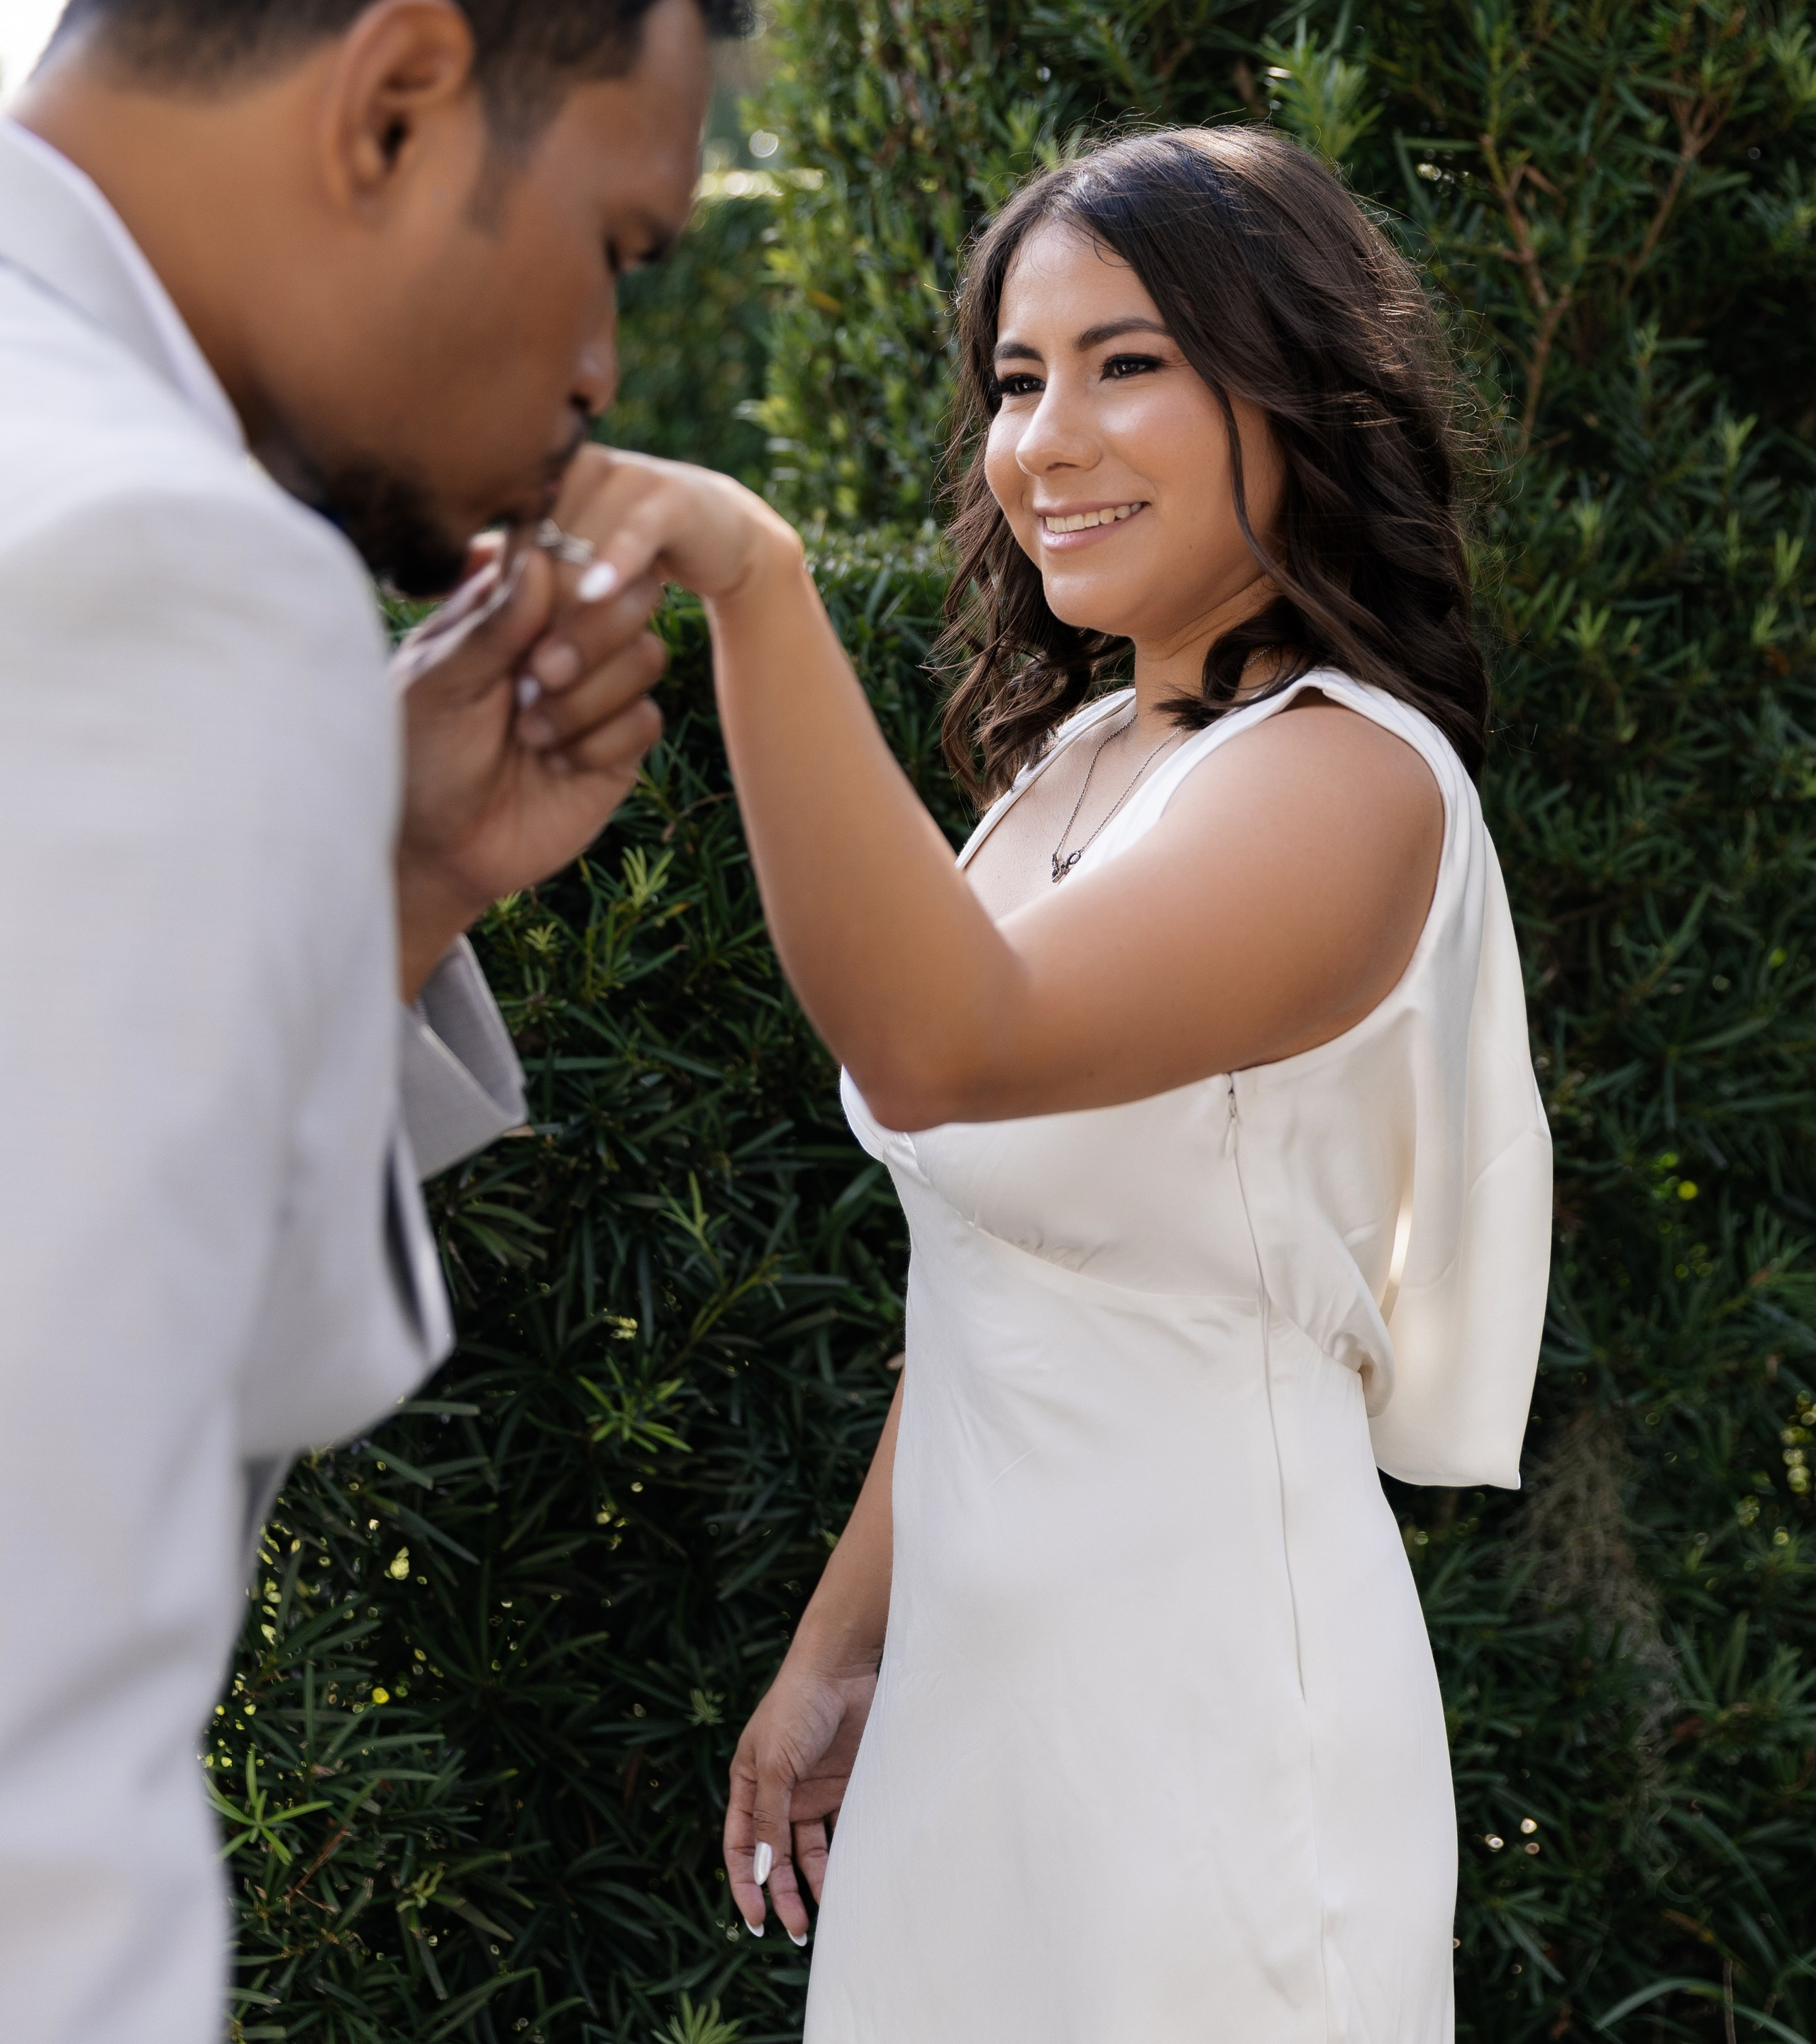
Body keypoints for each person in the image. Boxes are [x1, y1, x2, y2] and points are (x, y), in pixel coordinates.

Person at [560, 126, 1554, 2040]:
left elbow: (942, 1047)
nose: (1044, 438)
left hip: (1210, 1725)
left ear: (1294, 388)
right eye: (1019, 378)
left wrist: (755, 587)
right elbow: (1001, 1276)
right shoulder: (1076, 756)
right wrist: (843, 1646)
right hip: (969, 1705)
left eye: (1128, 362)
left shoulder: (1347, 784)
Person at [0, 0, 745, 2040]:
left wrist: (384, 883)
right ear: (399, 102)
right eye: (618, 244)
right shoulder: (160, 561)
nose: (606, 360)